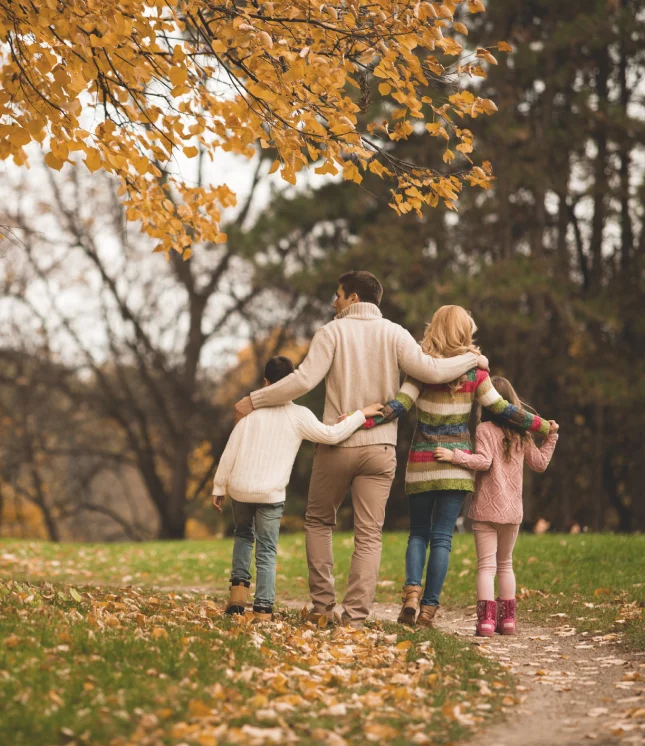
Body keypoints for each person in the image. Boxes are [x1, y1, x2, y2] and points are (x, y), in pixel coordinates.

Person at [234, 272, 490, 629]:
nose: (334, 302)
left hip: (337, 443)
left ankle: (323, 608)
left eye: (337, 295)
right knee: (368, 533)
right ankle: (355, 617)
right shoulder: (396, 333)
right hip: (380, 448)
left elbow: (304, 380)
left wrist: (254, 399)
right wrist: (472, 360)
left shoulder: (331, 332)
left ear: (353, 297)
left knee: (319, 521)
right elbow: (431, 370)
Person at [356, 306, 551, 629]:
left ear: (434, 328)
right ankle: (429, 611)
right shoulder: (476, 375)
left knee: (418, 533)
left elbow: (398, 407)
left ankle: (411, 595)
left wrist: (360, 419)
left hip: (421, 462)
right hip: (457, 467)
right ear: (464, 332)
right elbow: (503, 409)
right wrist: (540, 426)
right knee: (442, 538)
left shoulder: (419, 369)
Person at [213, 355, 384, 621]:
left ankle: (237, 598)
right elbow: (331, 435)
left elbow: (230, 451)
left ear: (266, 382)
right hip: (270, 494)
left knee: (243, 535)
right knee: (267, 549)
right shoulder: (299, 416)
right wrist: (360, 415)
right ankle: (263, 610)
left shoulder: (250, 413)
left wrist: (219, 486)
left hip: (240, 489)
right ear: (292, 383)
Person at [435, 376, 559, 636]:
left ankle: (487, 622)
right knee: (505, 564)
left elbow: (483, 462)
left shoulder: (484, 430)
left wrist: (453, 456)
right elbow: (540, 464)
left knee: (486, 567)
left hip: (485, 511)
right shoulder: (522, 434)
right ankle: (509, 621)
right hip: (512, 511)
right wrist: (552, 438)